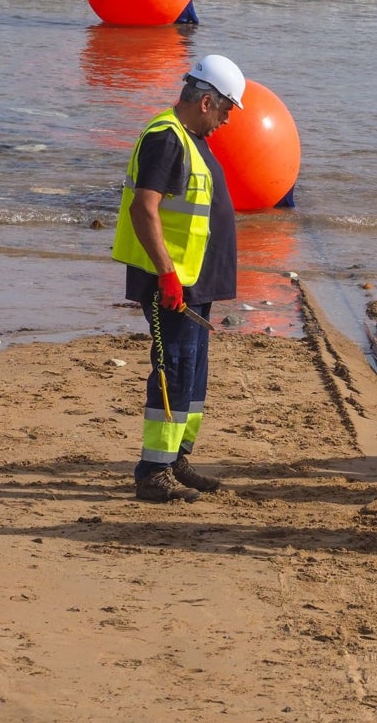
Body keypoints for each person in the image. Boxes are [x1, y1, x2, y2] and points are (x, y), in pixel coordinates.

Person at [111, 54, 245, 502]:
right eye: (226, 110)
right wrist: (167, 275)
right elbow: (143, 207)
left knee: (194, 373)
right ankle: (153, 471)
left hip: (195, 282)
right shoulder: (165, 139)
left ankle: (176, 459)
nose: (227, 120)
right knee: (173, 370)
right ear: (207, 101)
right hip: (174, 284)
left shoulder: (191, 138)